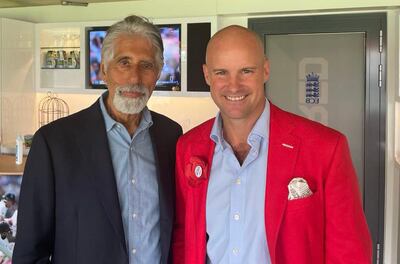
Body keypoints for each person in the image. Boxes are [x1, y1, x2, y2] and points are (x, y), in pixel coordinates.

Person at [173, 25, 372, 264]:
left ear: (265, 70)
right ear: (207, 75)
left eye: (246, 71)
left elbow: (349, 253)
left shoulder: (325, 148)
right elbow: (184, 237)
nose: (234, 86)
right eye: (221, 73)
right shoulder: (188, 147)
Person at [13, 15, 182, 264]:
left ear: (157, 73)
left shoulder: (171, 136)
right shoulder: (54, 143)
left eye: (146, 65)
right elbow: (30, 250)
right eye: (124, 63)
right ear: (103, 69)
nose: (134, 78)